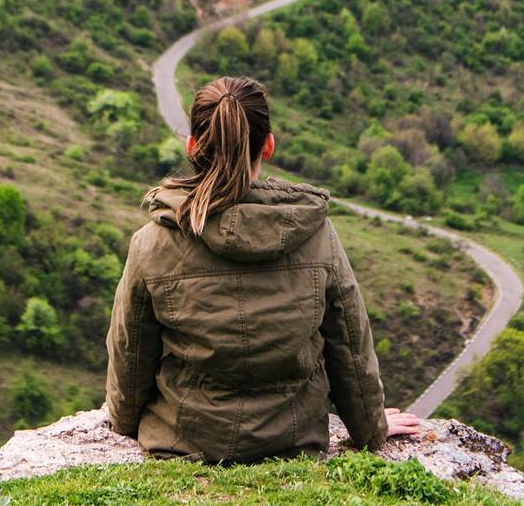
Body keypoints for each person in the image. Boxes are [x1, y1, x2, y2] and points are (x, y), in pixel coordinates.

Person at [105, 75, 419, 463]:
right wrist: (371, 429)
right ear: (268, 145)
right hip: (293, 443)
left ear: (192, 147)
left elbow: (130, 353)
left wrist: (123, 422)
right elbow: (350, 346)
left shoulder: (152, 242)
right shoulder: (315, 233)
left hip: (182, 442)